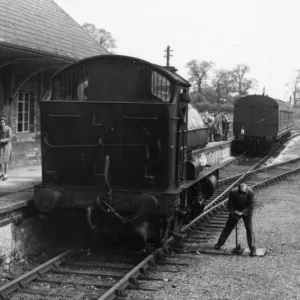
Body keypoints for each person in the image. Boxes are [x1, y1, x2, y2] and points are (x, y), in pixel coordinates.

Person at [214, 183, 257, 256]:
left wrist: (243, 212)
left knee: (249, 229)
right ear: (238, 191)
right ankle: (219, 243)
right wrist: (233, 212)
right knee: (228, 227)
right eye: (240, 193)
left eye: (243, 194)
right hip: (236, 210)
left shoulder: (251, 193)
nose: (241, 195)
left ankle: (253, 249)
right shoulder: (233, 192)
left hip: (247, 211)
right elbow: (230, 205)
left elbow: (251, 206)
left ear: (246, 192)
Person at [0, 117, 12, 181]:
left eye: (3, 122)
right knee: (0, 161)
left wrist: (2, 140)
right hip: (1, 146)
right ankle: (1, 174)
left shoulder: (8, 128)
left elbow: (10, 138)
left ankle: (6, 175)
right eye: (1, 122)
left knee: (5, 161)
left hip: (7, 146)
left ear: (5, 122)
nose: (2, 124)